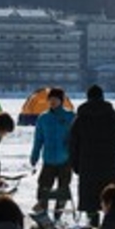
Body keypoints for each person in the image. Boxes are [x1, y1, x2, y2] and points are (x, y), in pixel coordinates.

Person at [69, 84, 115, 227]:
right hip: (109, 162)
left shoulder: (81, 117)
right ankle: (110, 226)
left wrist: (75, 164)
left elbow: (73, 142)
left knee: (90, 198)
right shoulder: (111, 114)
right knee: (111, 196)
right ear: (102, 96)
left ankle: (93, 225)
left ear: (88, 97)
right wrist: (113, 143)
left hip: (87, 163)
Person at [30, 87, 75, 221]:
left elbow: (77, 137)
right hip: (48, 160)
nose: (53, 102)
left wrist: (72, 150)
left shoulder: (71, 116)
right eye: (51, 99)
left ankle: (58, 216)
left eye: (56, 99)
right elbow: (38, 139)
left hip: (65, 160)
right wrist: (34, 155)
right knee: (43, 188)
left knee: (63, 190)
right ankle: (43, 215)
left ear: (61, 101)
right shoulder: (43, 118)